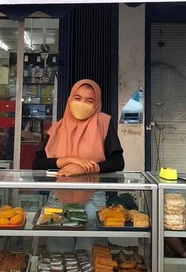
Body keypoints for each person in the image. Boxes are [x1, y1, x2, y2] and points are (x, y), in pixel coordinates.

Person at [32, 79, 124, 252]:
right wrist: (70, 160)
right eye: (77, 98)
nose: (82, 104)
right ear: (69, 99)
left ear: (97, 104)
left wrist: (86, 168)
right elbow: (38, 163)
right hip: (58, 197)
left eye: (90, 101)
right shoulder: (58, 127)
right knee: (59, 256)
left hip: (93, 198)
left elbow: (118, 162)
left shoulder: (103, 123)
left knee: (90, 254)